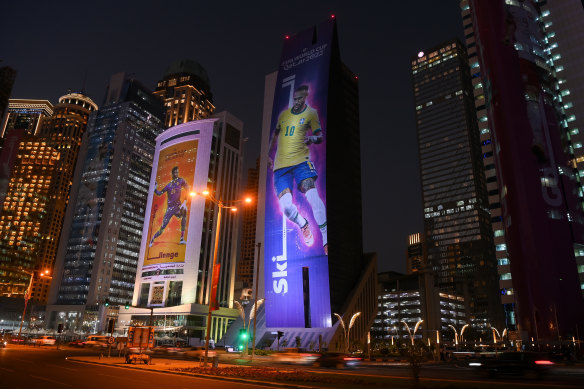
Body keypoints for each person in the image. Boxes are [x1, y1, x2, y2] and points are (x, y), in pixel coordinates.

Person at [268, 85, 328, 255]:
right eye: (295, 99)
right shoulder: (284, 115)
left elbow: (320, 136)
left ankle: (326, 239)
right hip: (281, 167)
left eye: (300, 99)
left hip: (301, 162)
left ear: (305, 98)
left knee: (313, 196)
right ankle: (303, 224)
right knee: (286, 207)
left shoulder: (311, 113)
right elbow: (274, 136)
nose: (296, 102)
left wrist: (311, 138)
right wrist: (267, 154)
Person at [149, 166, 188, 247]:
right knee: (162, 228)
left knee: (184, 213)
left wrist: (184, 202)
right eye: (175, 172)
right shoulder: (168, 185)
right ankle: (152, 238)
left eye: (177, 172)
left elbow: (188, 189)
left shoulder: (181, 180)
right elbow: (159, 193)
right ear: (172, 174)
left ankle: (181, 239)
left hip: (177, 207)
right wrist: (155, 189)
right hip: (170, 209)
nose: (176, 174)